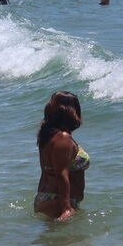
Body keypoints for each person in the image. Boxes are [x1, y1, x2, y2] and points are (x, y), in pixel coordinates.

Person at [34, 91, 90, 221]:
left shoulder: (49, 135)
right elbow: (61, 175)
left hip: (49, 198)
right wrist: (66, 208)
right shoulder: (63, 138)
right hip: (58, 201)